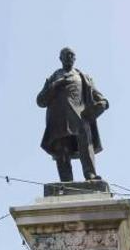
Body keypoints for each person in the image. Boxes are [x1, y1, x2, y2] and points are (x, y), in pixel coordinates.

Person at [37, 47, 109, 182]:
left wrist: (103, 103)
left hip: (80, 117)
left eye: (72, 55)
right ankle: (66, 182)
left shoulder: (83, 77)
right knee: (61, 151)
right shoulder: (53, 78)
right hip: (59, 121)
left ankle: (91, 175)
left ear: (75, 58)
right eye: (66, 55)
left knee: (86, 146)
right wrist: (55, 86)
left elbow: (98, 95)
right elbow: (40, 101)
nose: (69, 57)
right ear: (60, 58)